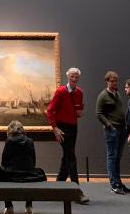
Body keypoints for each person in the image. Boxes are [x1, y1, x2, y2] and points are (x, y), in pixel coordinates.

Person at [46, 67, 88, 203]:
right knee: (71, 157)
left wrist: (80, 109)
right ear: (68, 77)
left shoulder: (79, 92)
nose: (74, 79)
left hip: (73, 127)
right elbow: (49, 111)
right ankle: (77, 192)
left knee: (67, 157)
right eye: (72, 76)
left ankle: (57, 188)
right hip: (62, 128)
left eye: (76, 77)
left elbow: (78, 113)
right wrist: (55, 129)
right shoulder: (61, 91)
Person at [0, 120, 46, 214]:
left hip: (12, 173)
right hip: (29, 173)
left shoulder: (9, 141)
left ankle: (9, 206)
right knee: (38, 171)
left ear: (10, 130)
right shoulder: (30, 140)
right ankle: (29, 206)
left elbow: (4, 161)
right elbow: (33, 160)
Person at [96, 70, 130, 195]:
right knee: (112, 157)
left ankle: (118, 182)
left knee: (117, 157)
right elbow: (99, 113)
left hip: (122, 130)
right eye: (112, 81)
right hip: (112, 131)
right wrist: (109, 125)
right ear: (107, 81)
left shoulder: (117, 93)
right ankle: (114, 185)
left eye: (116, 81)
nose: (114, 83)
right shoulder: (103, 96)